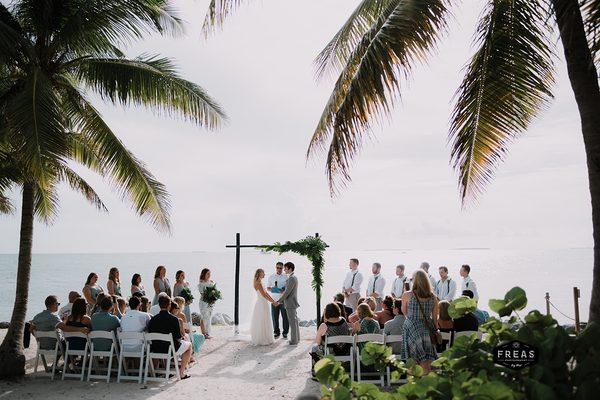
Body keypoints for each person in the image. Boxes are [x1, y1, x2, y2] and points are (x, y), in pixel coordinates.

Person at [401, 270, 439, 375]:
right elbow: (435, 319)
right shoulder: (433, 297)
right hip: (427, 329)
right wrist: (435, 331)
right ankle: (426, 384)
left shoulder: (407, 295)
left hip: (412, 328)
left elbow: (404, 312)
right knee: (427, 360)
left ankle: (414, 385)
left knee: (412, 360)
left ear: (415, 281)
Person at [148, 295, 192, 379]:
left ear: (159, 304)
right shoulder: (174, 319)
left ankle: (154, 372)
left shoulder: (152, 320)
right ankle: (181, 373)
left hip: (155, 348)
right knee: (189, 345)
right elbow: (178, 338)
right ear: (169, 305)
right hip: (170, 349)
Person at [250, 268, 276, 345]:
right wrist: (273, 301)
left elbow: (266, 293)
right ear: (260, 274)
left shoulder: (258, 282)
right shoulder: (259, 283)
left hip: (261, 302)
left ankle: (264, 337)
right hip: (262, 303)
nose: (264, 274)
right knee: (263, 319)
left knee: (263, 319)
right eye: (263, 273)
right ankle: (263, 339)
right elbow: (264, 294)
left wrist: (272, 300)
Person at [277, 262, 300, 345]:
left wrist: (278, 301)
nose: (284, 270)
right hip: (292, 302)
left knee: (292, 322)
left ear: (290, 269)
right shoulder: (293, 277)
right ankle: (297, 338)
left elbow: (287, 293)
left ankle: (294, 340)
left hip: (290, 303)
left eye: (285, 268)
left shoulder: (292, 278)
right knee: (295, 321)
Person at [267, 262, 289, 339]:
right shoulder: (271, 277)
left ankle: (285, 332)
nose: (279, 269)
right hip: (274, 300)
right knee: (274, 317)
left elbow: (288, 287)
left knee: (285, 317)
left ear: (283, 268)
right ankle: (276, 332)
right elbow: (268, 288)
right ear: (275, 267)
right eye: (277, 267)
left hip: (283, 300)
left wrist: (283, 289)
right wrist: (274, 289)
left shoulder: (286, 277)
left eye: (280, 268)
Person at [197, 268, 215, 339]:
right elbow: (203, 294)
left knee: (209, 317)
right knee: (204, 317)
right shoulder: (201, 283)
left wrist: (214, 298)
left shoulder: (211, 282)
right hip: (204, 302)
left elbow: (214, 292)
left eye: (209, 273)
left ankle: (207, 333)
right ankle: (204, 333)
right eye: (207, 273)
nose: (209, 275)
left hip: (210, 303)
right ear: (204, 274)